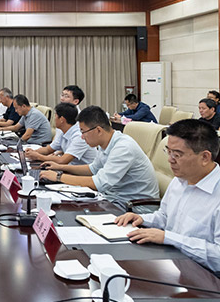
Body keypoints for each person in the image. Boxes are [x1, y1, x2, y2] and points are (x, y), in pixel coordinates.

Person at [115, 119, 220, 273]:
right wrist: (142, 219)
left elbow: (218, 256)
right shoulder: (180, 180)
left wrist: (168, 238)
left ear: (205, 157)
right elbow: (165, 217)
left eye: (177, 154)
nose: (170, 160)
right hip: (172, 261)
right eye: (168, 151)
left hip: (203, 276)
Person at [40, 106, 159, 207]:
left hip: (134, 206)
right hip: (114, 198)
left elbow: (99, 183)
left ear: (98, 130)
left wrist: (58, 177)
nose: (82, 137)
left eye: (83, 132)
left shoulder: (123, 148)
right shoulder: (106, 143)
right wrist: (60, 167)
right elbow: (92, 169)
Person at [25, 103, 96, 165]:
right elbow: (48, 149)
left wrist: (38, 156)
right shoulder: (62, 131)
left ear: (62, 119)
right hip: (69, 167)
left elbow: (62, 160)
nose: (54, 119)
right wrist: (31, 152)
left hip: (83, 172)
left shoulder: (79, 136)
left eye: (55, 116)